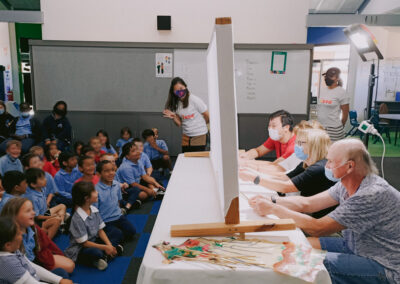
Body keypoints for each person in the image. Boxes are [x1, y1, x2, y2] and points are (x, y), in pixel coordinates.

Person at [248, 138, 400, 283]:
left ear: (349, 166)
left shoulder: (370, 194)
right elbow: (307, 204)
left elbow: (317, 228)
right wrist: (272, 201)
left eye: (331, 161)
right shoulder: (346, 184)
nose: (326, 165)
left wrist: (274, 209)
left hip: (386, 265)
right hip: (357, 245)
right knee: (296, 245)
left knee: (299, 262)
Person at [240, 128, 336, 218]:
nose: (296, 146)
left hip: (316, 219)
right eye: (296, 142)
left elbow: (286, 187)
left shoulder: (318, 168)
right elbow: (284, 178)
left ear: (313, 145)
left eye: (300, 143)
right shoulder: (306, 163)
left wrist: (254, 178)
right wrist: (253, 173)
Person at [1, 198, 75, 276]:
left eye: (32, 209)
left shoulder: (33, 227)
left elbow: (47, 244)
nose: (34, 213)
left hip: (36, 258)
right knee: (63, 272)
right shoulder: (12, 241)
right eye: (28, 211)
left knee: (70, 265)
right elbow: (24, 269)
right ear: (15, 216)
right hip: (26, 269)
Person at [64, 182, 123, 271]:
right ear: (87, 198)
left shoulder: (94, 210)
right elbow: (84, 243)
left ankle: (106, 255)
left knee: (117, 233)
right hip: (81, 248)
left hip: (94, 240)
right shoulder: (78, 219)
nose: (97, 193)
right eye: (94, 191)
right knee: (95, 253)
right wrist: (105, 247)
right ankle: (102, 256)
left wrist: (109, 245)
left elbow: (100, 230)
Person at [0, 216, 73, 284]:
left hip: (32, 278)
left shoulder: (12, 249)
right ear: (8, 245)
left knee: (61, 273)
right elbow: (31, 282)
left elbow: (31, 267)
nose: (22, 235)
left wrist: (59, 280)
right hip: (31, 281)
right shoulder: (8, 264)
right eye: (18, 234)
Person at [163, 77, 209, 152]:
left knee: (196, 160)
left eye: (181, 88)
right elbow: (179, 124)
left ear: (185, 87)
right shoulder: (176, 103)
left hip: (199, 135)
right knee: (186, 158)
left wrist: (201, 125)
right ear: (173, 92)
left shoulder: (194, 100)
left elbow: (207, 115)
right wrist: (174, 117)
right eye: (176, 90)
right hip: (186, 136)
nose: (180, 91)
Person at [116, 143, 165, 211]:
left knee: (153, 180)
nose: (137, 152)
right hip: (126, 188)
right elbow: (133, 184)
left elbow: (144, 176)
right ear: (127, 156)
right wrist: (148, 190)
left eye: (136, 149)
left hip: (137, 183)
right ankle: (153, 193)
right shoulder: (126, 167)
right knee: (143, 195)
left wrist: (155, 183)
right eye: (133, 151)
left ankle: (154, 192)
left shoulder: (138, 161)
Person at [95, 160, 136, 240]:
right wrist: (99, 226)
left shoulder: (116, 184)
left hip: (118, 216)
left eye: (113, 170)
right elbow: (95, 211)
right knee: (118, 234)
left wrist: (119, 212)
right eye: (106, 171)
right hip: (105, 221)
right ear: (98, 174)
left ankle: (114, 236)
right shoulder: (96, 190)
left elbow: (118, 201)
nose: (111, 173)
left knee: (132, 231)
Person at [25, 168, 65, 240]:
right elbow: (37, 217)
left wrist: (47, 203)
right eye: (42, 179)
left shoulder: (42, 188)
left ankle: (60, 226)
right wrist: (51, 216)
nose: (45, 179)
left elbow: (50, 194)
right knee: (57, 219)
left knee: (62, 206)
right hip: (39, 221)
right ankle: (47, 241)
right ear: (33, 184)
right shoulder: (33, 197)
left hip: (45, 213)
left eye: (44, 177)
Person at [317, 67, 350, 141]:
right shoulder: (322, 90)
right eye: (326, 76)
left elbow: (345, 114)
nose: (327, 78)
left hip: (334, 129)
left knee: (333, 151)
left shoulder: (342, 92)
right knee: (321, 151)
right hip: (320, 127)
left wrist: (341, 127)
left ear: (337, 78)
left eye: (331, 76)